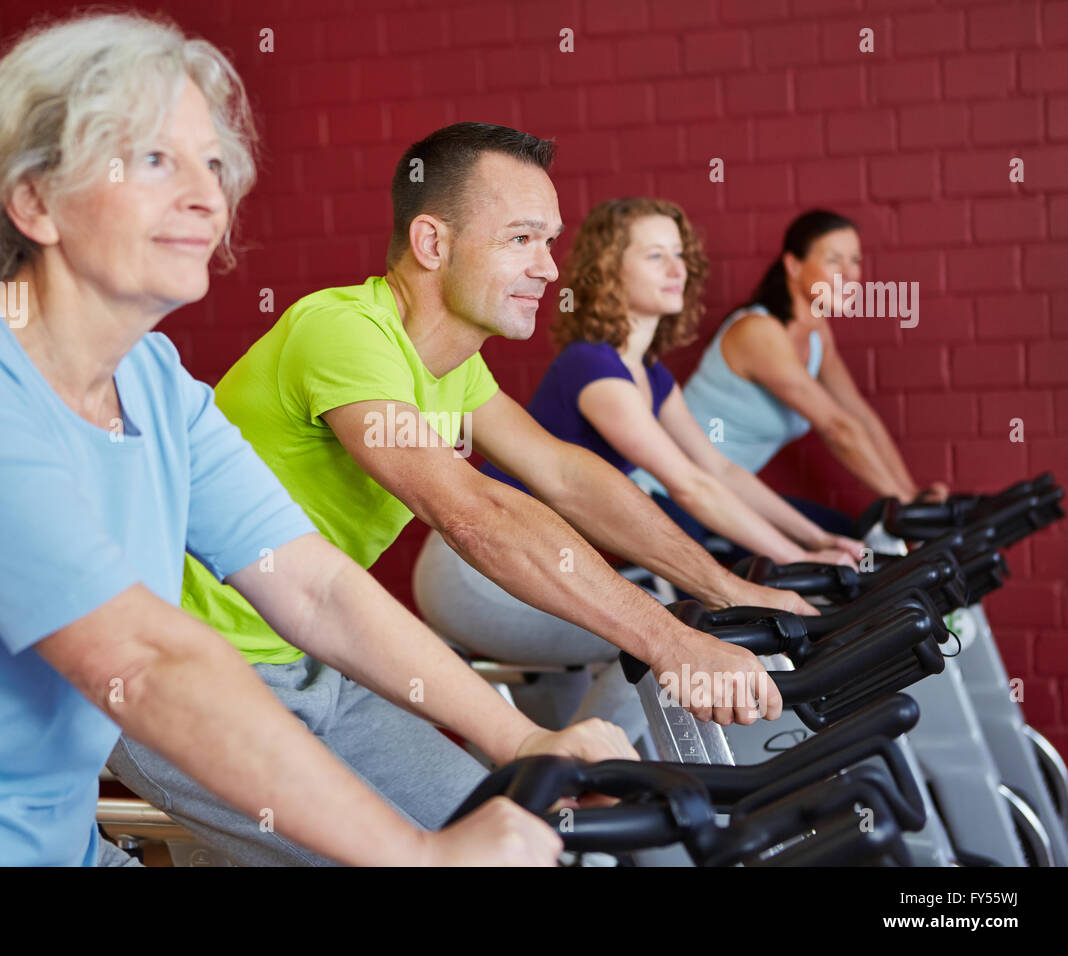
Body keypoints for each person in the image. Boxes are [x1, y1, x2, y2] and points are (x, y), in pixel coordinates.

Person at [0, 13, 599, 867]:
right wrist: (420, 856)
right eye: (156, 159)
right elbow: (140, 656)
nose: (209, 194)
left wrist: (519, 738)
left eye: (212, 163)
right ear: (35, 200)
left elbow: (314, 588)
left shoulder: (156, 382)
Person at [108, 122, 813, 866]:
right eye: (521, 239)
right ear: (432, 244)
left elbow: (565, 475)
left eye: (549, 241)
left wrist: (725, 592)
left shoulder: (455, 371)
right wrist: (670, 643)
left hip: (316, 663)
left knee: (528, 851)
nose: (548, 267)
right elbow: (474, 514)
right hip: (186, 674)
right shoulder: (341, 331)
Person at [413, 198, 863, 686]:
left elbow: (720, 471)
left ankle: (595, 761)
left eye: (679, 255)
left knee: (578, 718)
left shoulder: (651, 374)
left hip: (540, 565)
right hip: (475, 573)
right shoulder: (592, 367)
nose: (677, 269)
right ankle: (619, 766)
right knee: (678, 637)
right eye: (655, 256)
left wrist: (814, 540)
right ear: (610, 271)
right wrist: (792, 559)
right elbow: (689, 484)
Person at [680, 210, 948, 529]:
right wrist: (904, 507)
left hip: (727, 495)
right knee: (836, 562)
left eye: (855, 261)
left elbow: (858, 416)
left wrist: (912, 496)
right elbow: (836, 427)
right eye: (834, 260)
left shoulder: (818, 336)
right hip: (675, 494)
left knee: (849, 536)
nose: (850, 275)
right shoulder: (758, 331)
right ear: (793, 265)